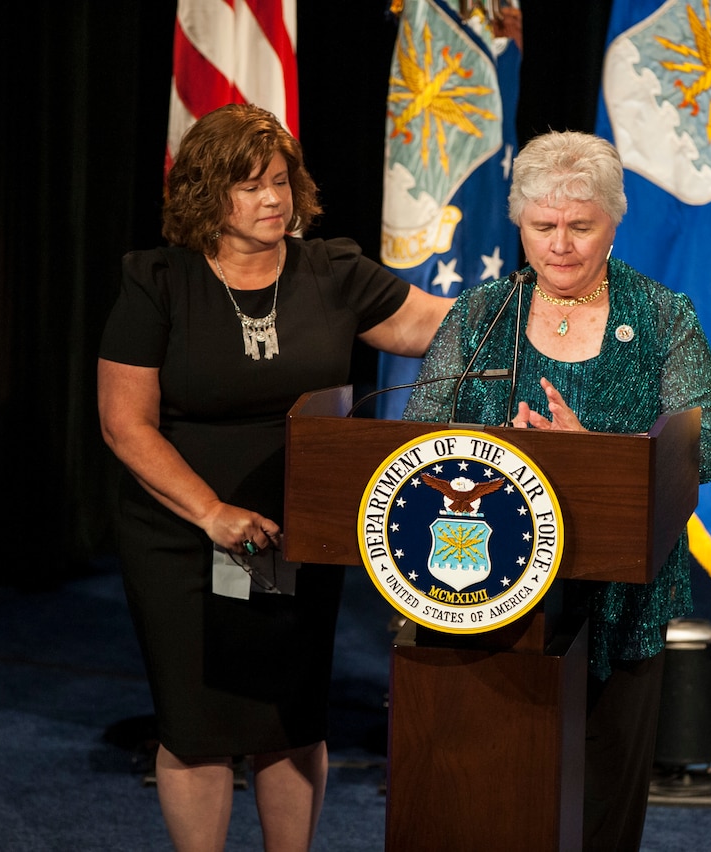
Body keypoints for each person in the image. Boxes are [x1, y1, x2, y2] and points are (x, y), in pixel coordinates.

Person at [96, 103, 450, 852]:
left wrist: (547, 303)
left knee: (290, 720)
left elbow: (433, 325)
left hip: (300, 530)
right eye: (250, 185)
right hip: (183, 535)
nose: (272, 199)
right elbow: (126, 425)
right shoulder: (158, 280)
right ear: (205, 193)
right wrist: (212, 512)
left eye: (281, 182)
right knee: (197, 729)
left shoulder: (332, 270)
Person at [402, 130, 711, 850]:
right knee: (486, 793)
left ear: (615, 220)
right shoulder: (480, 318)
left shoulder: (666, 317)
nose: (561, 245)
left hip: (620, 604)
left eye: (582, 226)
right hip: (484, 593)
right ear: (519, 222)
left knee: (599, 807)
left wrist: (594, 456)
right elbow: (420, 436)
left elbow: (701, 452)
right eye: (542, 226)